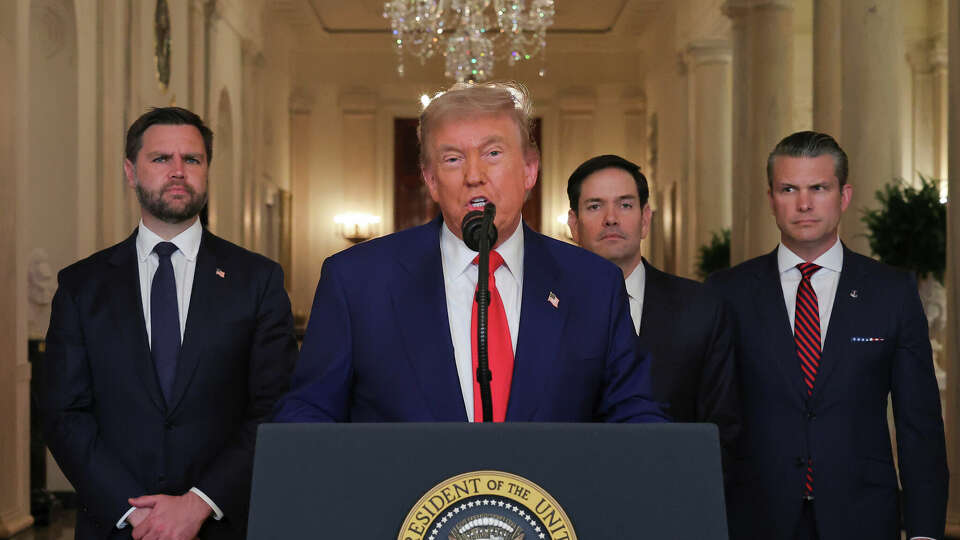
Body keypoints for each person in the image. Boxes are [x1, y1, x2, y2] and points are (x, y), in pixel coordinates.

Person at [273, 82, 666, 424]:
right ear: (430, 180)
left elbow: (633, 413)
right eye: (453, 159)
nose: (474, 175)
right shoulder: (357, 281)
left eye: (493, 153)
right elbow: (309, 413)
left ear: (530, 170)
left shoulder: (593, 283)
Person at [42, 107, 298, 540]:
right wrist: (134, 512)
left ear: (207, 170)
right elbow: (64, 413)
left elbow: (275, 408)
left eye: (192, 160)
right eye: (161, 159)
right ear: (130, 171)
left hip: (222, 524)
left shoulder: (257, 280)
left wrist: (200, 502)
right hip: (116, 525)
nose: (178, 172)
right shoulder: (81, 285)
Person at [706, 131, 948, 540]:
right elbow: (709, 418)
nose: (804, 204)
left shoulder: (891, 293)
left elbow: (919, 424)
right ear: (771, 199)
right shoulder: (726, 293)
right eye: (789, 189)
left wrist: (924, 533)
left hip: (863, 519)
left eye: (818, 188)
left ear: (844, 195)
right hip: (753, 520)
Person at [566, 154, 740, 464]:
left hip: (674, 495)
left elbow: (723, 431)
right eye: (595, 206)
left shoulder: (701, 309)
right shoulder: (547, 309)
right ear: (573, 225)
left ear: (645, 220)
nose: (611, 218)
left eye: (625, 204)